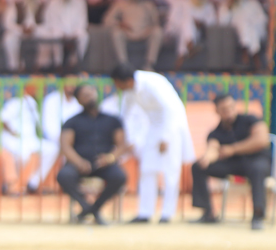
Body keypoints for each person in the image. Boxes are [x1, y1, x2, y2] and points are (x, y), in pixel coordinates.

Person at [110, 64, 194, 223]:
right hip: (152, 127)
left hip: (173, 126)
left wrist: (166, 137)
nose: (116, 87)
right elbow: (126, 115)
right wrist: (125, 137)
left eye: (117, 83)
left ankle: (167, 213)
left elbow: (170, 109)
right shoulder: (129, 90)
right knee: (147, 169)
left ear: (126, 81)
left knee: (170, 171)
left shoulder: (153, 83)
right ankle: (145, 213)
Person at [191, 93, 272, 229]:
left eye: (231, 107)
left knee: (257, 169)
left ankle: (258, 215)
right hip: (234, 165)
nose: (228, 111)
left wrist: (233, 149)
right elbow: (213, 148)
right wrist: (207, 158)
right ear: (217, 111)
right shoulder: (216, 132)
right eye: (224, 109)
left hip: (256, 160)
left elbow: (261, 140)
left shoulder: (250, 120)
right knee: (198, 166)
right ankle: (208, 213)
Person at [57, 83, 130, 225]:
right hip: (79, 163)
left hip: (104, 163)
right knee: (64, 176)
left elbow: (122, 145)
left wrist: (109, 158)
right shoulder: (72, 121)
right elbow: (65, 146)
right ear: (78, 100)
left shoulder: (112, 120)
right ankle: (89, 208)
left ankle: (91, 209)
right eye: (84, 95)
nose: (89, 97)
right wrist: (78, 162)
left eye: (90, 93)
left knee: (119, 177)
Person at [104, 0, 163, 70]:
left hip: (144, 32)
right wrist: (119, 24)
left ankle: (149, 64)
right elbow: (107, 20)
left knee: (158, 31)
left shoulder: (148, 4)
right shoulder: (121, 4)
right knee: (116, 33)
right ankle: (124, 64)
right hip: (127, 32)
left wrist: (150, 27)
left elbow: (156, 22)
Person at [0, 82, 49, 192]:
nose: (42, 91)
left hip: (31, 140)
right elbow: (3, 120)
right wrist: (13, 132)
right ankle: (16, 186)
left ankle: (33, 183)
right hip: (15, 140)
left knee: (51, 149)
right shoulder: (15, 102)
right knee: (27, 154)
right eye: (39, 88)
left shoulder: (34, 104)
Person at [40, 0, 88, 70]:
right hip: (58, 31)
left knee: (83, 35)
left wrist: (72, 34)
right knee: (54, 34)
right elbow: (50, 20)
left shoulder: (80, 0)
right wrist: (63, 34)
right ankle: (58, 64)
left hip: (75, 32)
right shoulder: (53, 0)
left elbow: (83, 21)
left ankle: (74, 62)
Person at [40, 77, 83, 181]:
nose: (71, 85)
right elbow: (48, 128)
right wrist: (64, 141)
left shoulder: (79, 102)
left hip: (75, 142)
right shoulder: (51, 100)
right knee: (54, 150)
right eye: (69, 82)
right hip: (55, 141)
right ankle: (36, 183)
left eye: (74, 82)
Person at [218, 0, 267, 67]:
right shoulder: (225, 6)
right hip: (238, 33)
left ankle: (246, 50)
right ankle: (255, 58)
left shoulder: (252, 2)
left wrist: (252, 22)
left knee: (249, 25)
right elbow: (222, 23)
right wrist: (230, 5)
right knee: (244, 22)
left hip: (257, 29)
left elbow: (263, 18)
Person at [1, 0, 45, 72]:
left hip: (37, 32)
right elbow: (8, 23)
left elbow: (49, 23)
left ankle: (42, 66)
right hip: (20, 32)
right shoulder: (16, 5)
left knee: (49, 36)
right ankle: (14, 67)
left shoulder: (42, 5)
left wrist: (34, 30)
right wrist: (21, 30)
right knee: (8, 38)